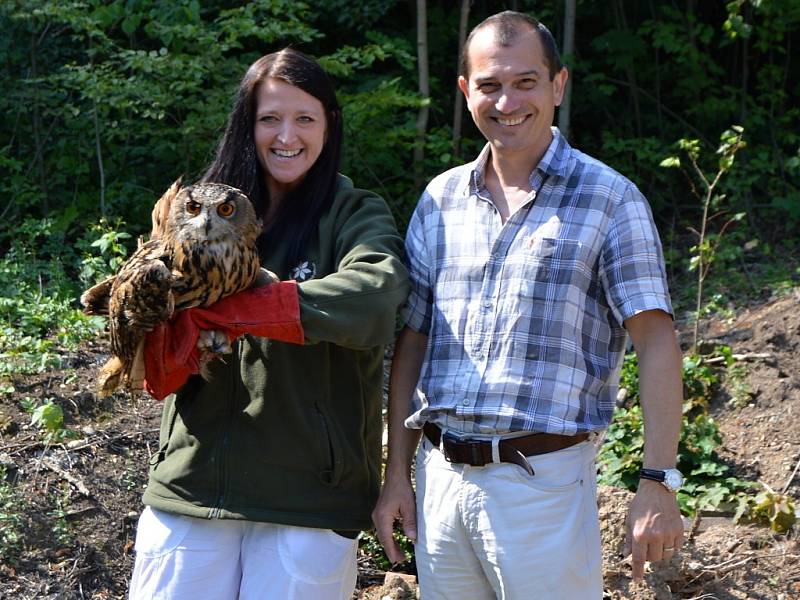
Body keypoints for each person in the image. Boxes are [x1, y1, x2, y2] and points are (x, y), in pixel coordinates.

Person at [372, 11, 684, 598]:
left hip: (542, 486)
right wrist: (397, 476)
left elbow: (656, 340)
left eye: (526, 82)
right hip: (440, 480)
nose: (507, 101)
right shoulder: (440, 200)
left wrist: (657, 480)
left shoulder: (609, 199)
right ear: (466, 92)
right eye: (490, 84)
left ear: (558, 85)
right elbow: (412, 341)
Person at [129, 48, 409, 599]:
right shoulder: (196, 211)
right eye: (269, 118)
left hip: (306, 497)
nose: (287, 135)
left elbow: (378, 295)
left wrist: (247, 306)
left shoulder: (353, 213)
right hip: (193, 486)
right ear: (246, 126)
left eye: (305, 118)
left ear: (329, 124)